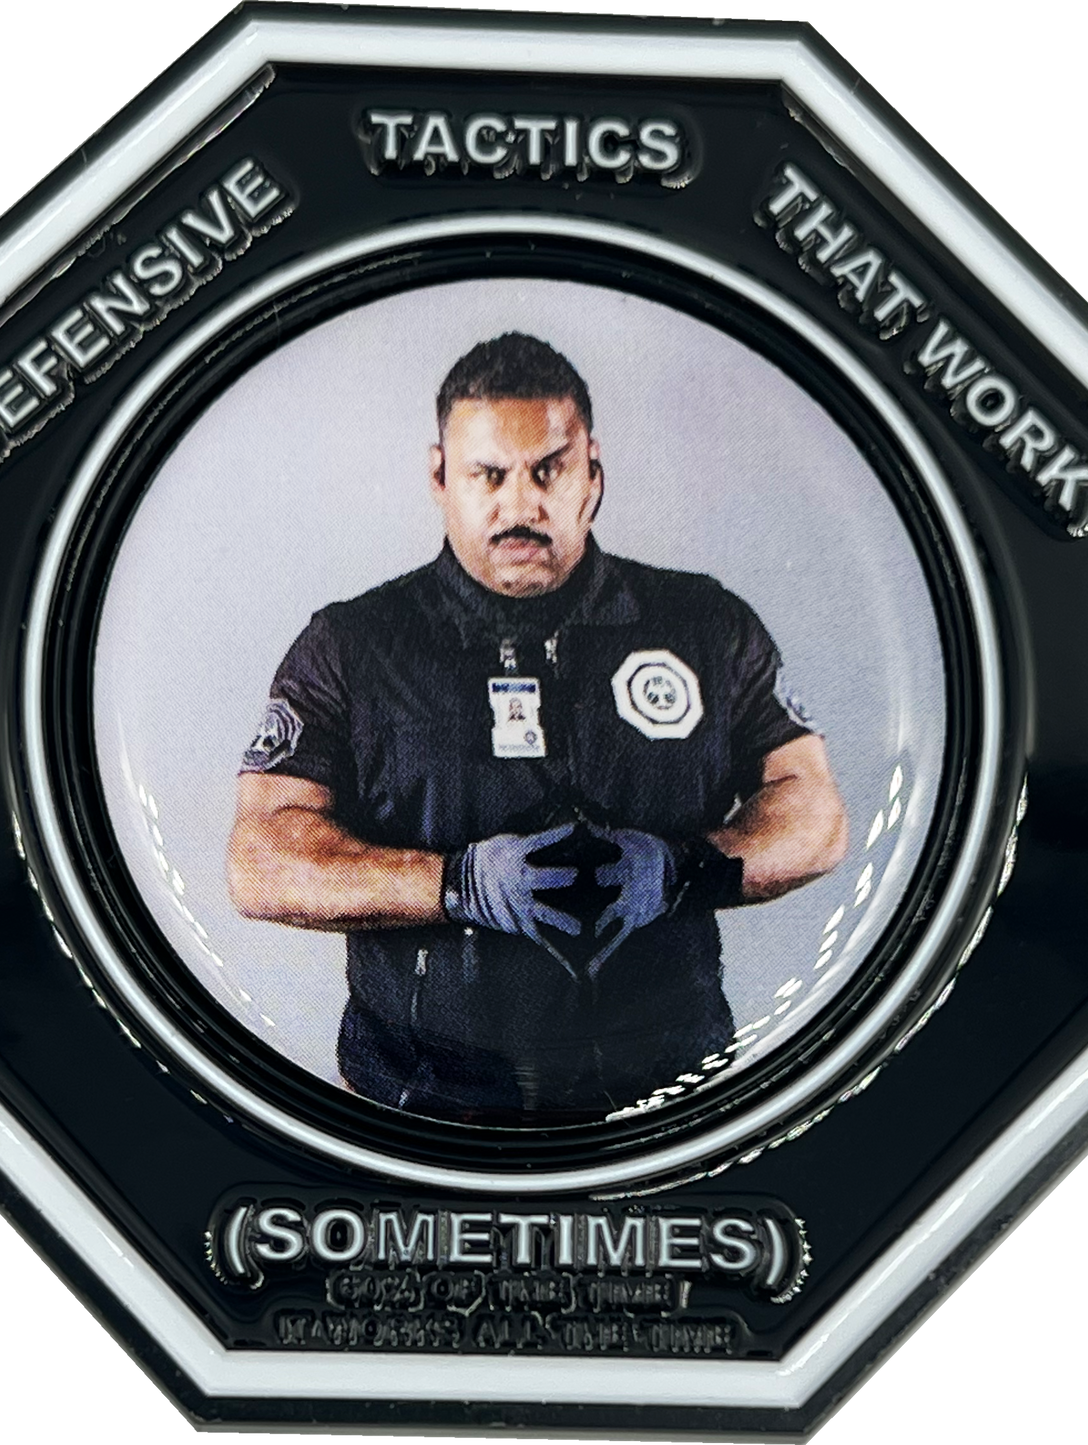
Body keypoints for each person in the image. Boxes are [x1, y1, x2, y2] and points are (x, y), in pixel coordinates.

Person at [227, 333, 848, 1124]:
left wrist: (683, 869)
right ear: (439, 477)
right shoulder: (350, 645)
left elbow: (814, 811)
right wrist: (455, 884)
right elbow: (261, 858)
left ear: (593, 473)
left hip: (669, 1103)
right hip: (419, 1107)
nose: (520, 506)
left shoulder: (706, 624)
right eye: (489, 475)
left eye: (548, 470)